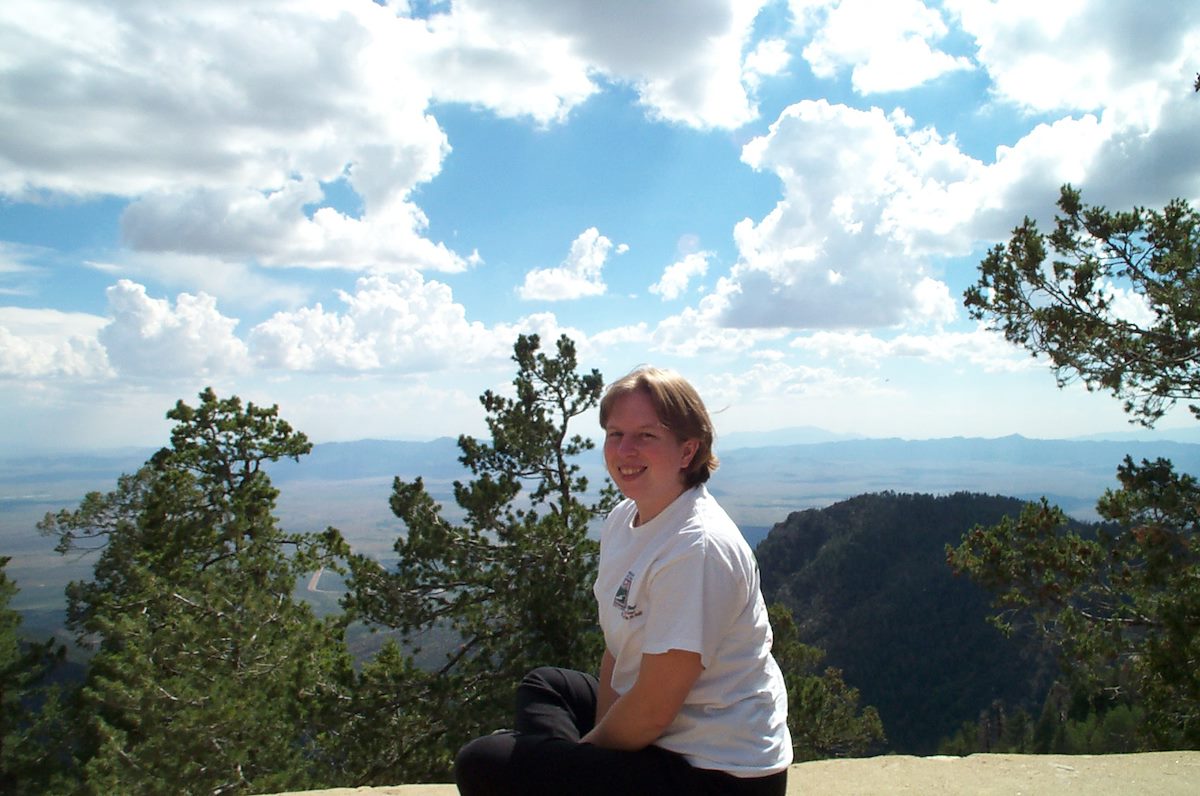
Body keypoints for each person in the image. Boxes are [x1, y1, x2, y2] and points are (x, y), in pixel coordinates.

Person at [454, 367, 792, 795]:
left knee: (483, 762)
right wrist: (586, 763)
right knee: (547, 685)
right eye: (615, 434)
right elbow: (619, 650)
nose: (625, 450)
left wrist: (578, 763)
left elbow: (652, 711)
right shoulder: (625, 519)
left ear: (688, 451)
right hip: (664, 736)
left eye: (646, 436)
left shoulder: (696, 548)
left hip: (716, 772)